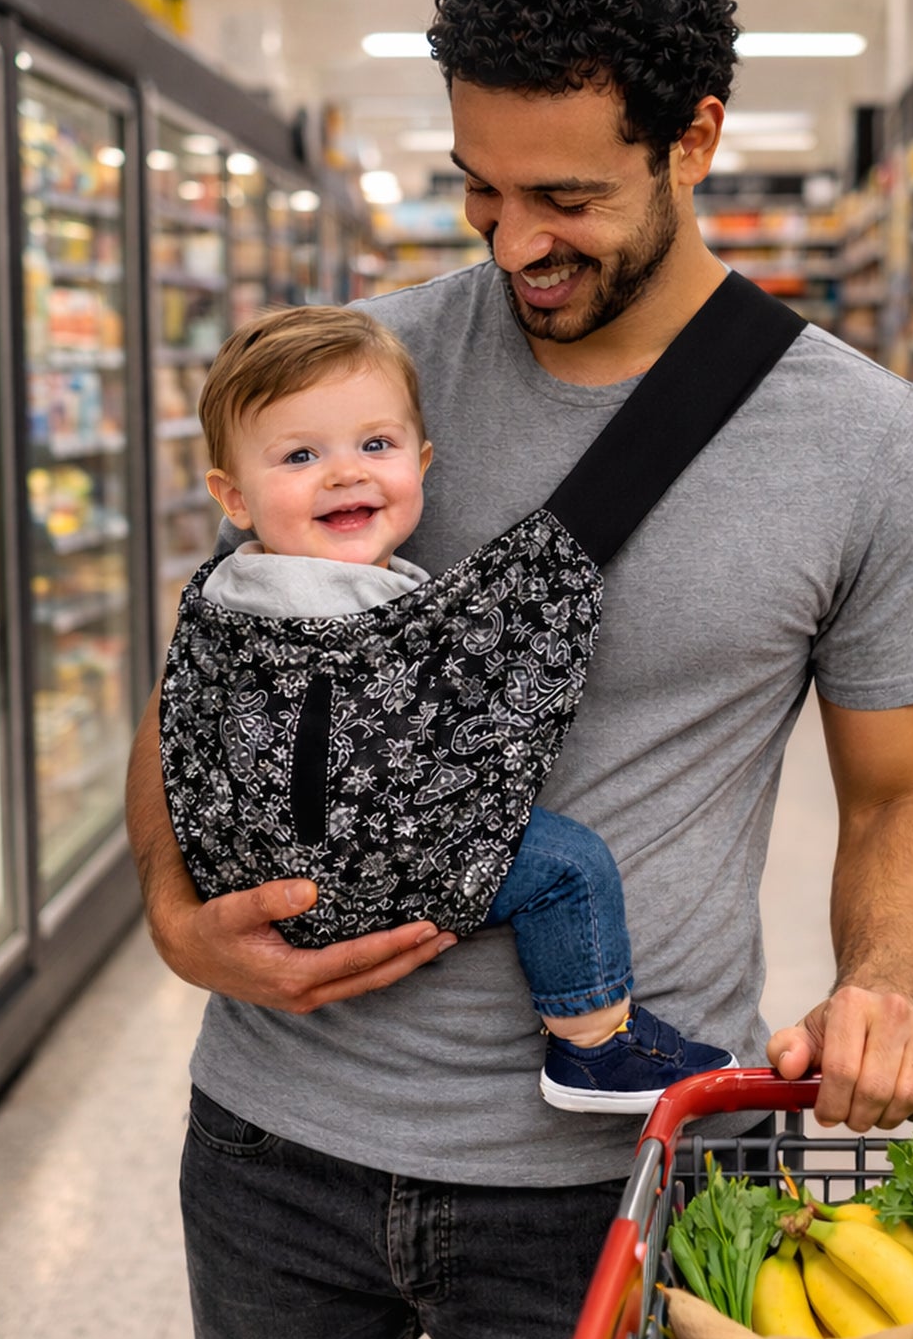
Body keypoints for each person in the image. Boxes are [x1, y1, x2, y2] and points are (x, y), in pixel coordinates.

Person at [123, 0, 913, 1339]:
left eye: (568, 198)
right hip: (275, 1141)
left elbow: (903, 793)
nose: (517, 241)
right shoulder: (355, 385)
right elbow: (213, 681)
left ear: (693, 139)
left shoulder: (864, 442)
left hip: (617, 1165)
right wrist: (173, 915)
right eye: (481, 188)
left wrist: (882, 989)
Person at [163, 302, 736, 1113]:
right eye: (299, 455)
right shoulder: (335, 599)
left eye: (375, 445)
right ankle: (594, 1041)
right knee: (566, 867)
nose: (345, 472)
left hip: (268, 877)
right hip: (371, 862)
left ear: (422, 460)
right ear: (235, 497)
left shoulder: (234, 589)